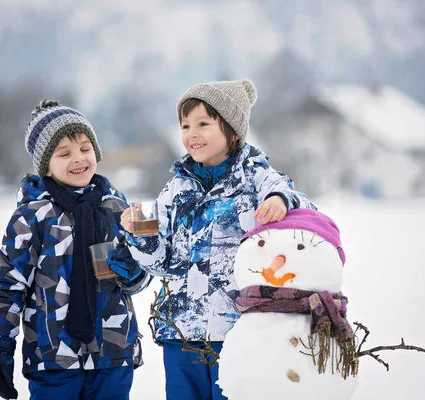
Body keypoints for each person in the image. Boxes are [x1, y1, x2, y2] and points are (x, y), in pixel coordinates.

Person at [120, 79, 316, 400]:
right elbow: (160, 261)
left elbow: (299, 202)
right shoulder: (175, 190)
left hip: (237, 331)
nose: (191, 133)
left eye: (203, 124)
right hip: (180, 331)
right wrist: (139, 234)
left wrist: (279, 200)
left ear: (233, 131)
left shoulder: (255, 177)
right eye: (185, 125)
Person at [0, 100, 151, 400]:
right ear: (46, 164)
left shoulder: (116, 207)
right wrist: (1, 347)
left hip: (113, 356)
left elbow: (140, 277)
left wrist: (135, 269)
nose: (79, 159)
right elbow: (8, 286)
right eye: (64, 153)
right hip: (53, 361)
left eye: (86, 149)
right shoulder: (33, 216)